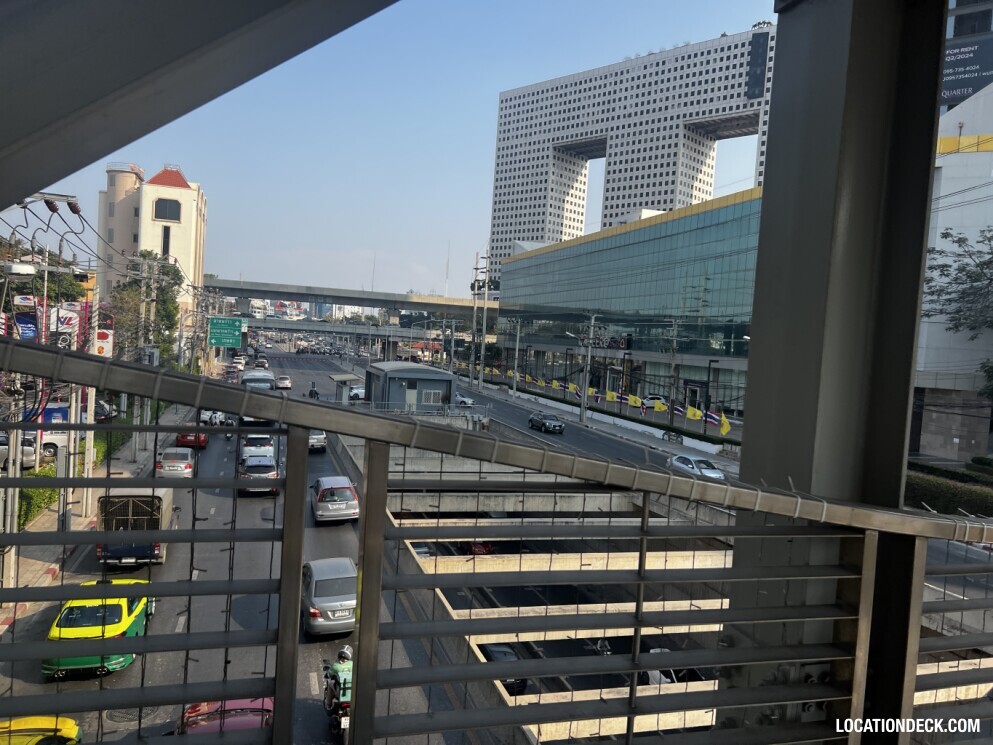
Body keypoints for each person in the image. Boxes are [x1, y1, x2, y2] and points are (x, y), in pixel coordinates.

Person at [324, 645, 353, 718]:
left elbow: (329, 674)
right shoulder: (353, 665)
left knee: (330, 682)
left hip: (341, 694)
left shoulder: (336, 666)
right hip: (352, 694)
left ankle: (328, 705)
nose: (341, 660)